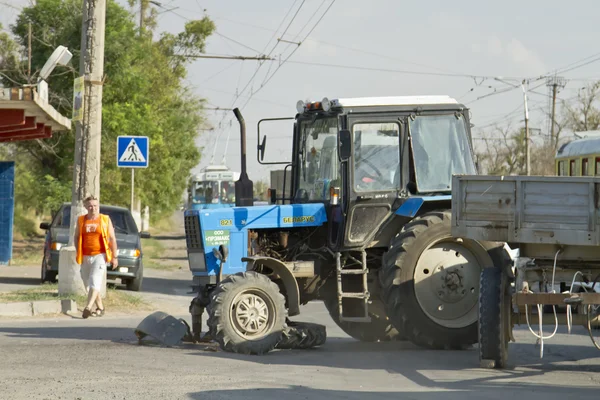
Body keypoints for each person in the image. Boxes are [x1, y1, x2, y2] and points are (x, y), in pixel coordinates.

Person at [74, 195, 118, 319]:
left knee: (95, 280)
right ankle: (101, 308)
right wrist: (78, 252)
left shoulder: (104, 219)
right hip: (85, 256)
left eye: (95, 206)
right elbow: (76, 237)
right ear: (86, 207)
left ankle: (87, 307)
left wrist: (115, 256)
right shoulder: (81, 220)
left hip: (100, 255)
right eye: (90, 206)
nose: (93, 208)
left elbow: (112, 238)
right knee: (88, 284)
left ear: (98, 206)